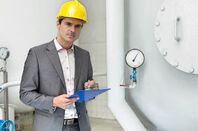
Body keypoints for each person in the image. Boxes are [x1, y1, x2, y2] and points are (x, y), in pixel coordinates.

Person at [20, 0, 94, 131]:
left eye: (78, 26)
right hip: (49, 126)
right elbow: (25, 94)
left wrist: (91, 89)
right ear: (58, 24)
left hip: (81, 126)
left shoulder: (84, 56)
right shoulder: (37, 54)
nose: (72, 30)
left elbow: (89, 88)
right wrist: (53, 101)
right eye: (68, 24)